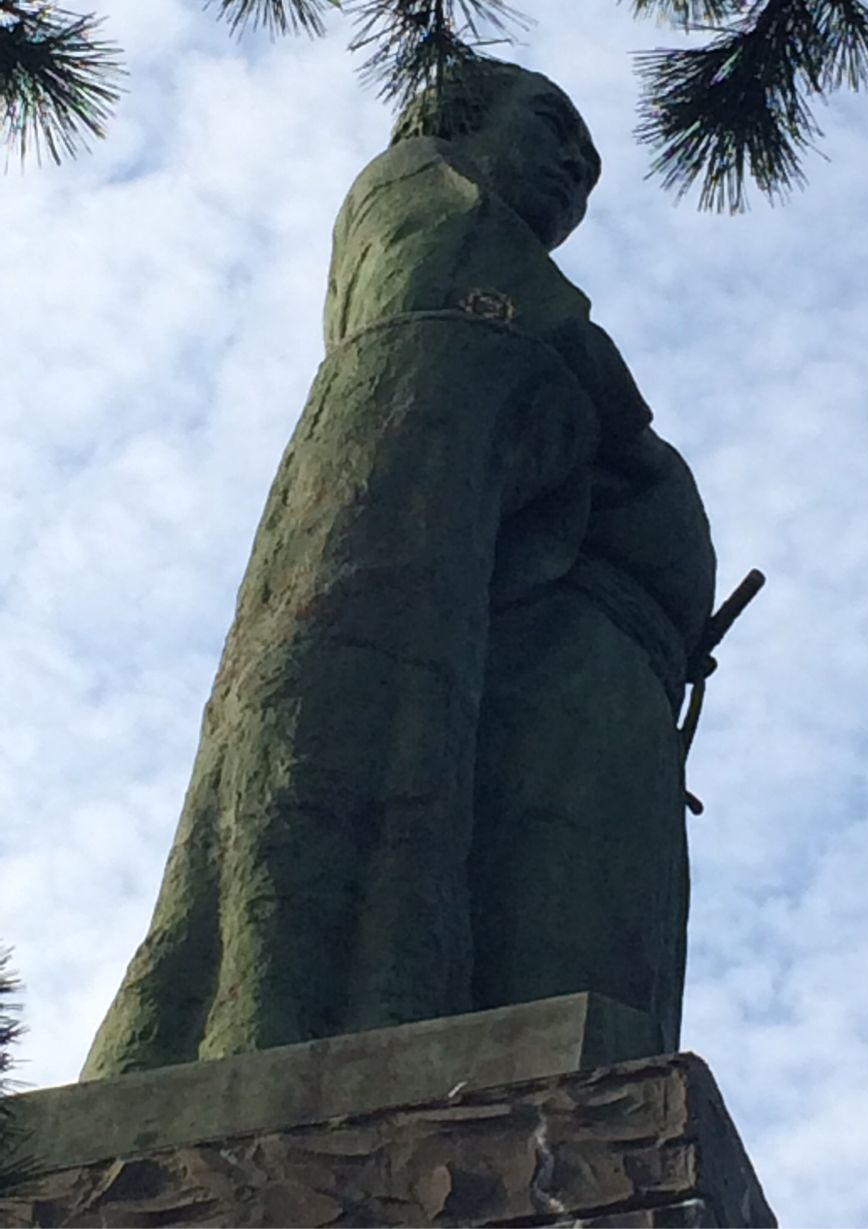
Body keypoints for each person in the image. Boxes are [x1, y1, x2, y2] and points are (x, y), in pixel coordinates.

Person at [81, 60, 715, 1081]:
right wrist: (627, 437)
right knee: (541, 939)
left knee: (587, 952)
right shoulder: (425, 200)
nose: (573, 169)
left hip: (599, 673)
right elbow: (480, 345)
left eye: (592, 168)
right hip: (540, 647)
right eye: (551, 127)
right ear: (452, 114)